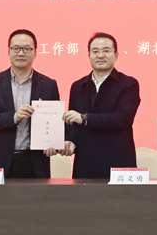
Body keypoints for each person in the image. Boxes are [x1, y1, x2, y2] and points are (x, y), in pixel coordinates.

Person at [0, 29, 60, 178]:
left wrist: (53, 143)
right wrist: (14, 117)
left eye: (27, 49)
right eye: (16, 48)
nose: (21, 53)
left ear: (35, 53)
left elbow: (54, 122)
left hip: (34, 163)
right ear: (9, 52)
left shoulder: (48, 84)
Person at [57, 32, 140, 179]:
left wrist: (84, 118)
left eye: (106, 50)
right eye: (95, 51)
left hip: (118, 163)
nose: (100, 55)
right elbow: (72, 122)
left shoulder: (128, 84)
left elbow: (122, 118)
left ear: (116, 55)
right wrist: (70, 141)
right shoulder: (78, 86)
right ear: (89, 55)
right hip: (85, 166)